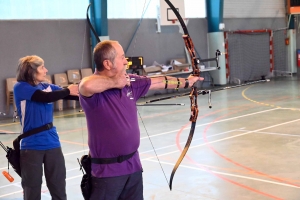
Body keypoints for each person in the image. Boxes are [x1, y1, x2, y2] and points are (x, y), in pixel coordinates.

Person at [79, 40, 203, 200]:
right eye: (122, 57)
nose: (126, 61)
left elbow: (159, 81)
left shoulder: (130, 82)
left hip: (133, 167)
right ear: (108, 64)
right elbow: (85, 85)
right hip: (107, 173)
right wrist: (116, 83)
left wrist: (186, 82)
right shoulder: (94, 92)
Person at [13, 55, 79, 200]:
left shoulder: (47, 86)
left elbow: (70, 94)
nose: (46, 70)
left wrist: (88, 89)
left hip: (52, 143)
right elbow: (45, 97)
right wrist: (68, 90)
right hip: (31, 146)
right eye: (42, 67)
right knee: (32, 190)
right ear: (31, 71)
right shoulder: (21, 87)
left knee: (58, 188)